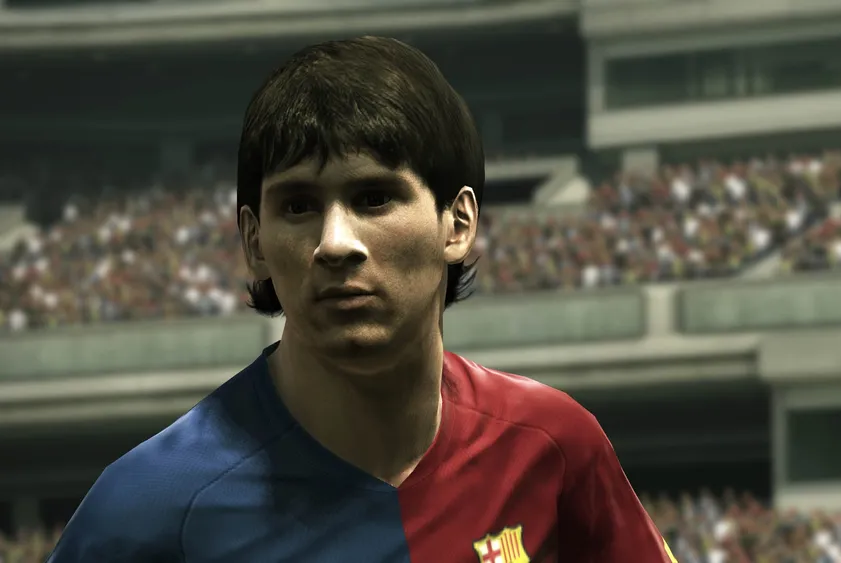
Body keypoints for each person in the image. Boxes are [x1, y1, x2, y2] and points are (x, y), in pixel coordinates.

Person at [47, 36, 676, 563]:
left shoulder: (554, 446)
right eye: (298, 206)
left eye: (374, 198)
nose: (335, 243)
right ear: (254, 242)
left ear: (457, 223)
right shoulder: (144, 511)